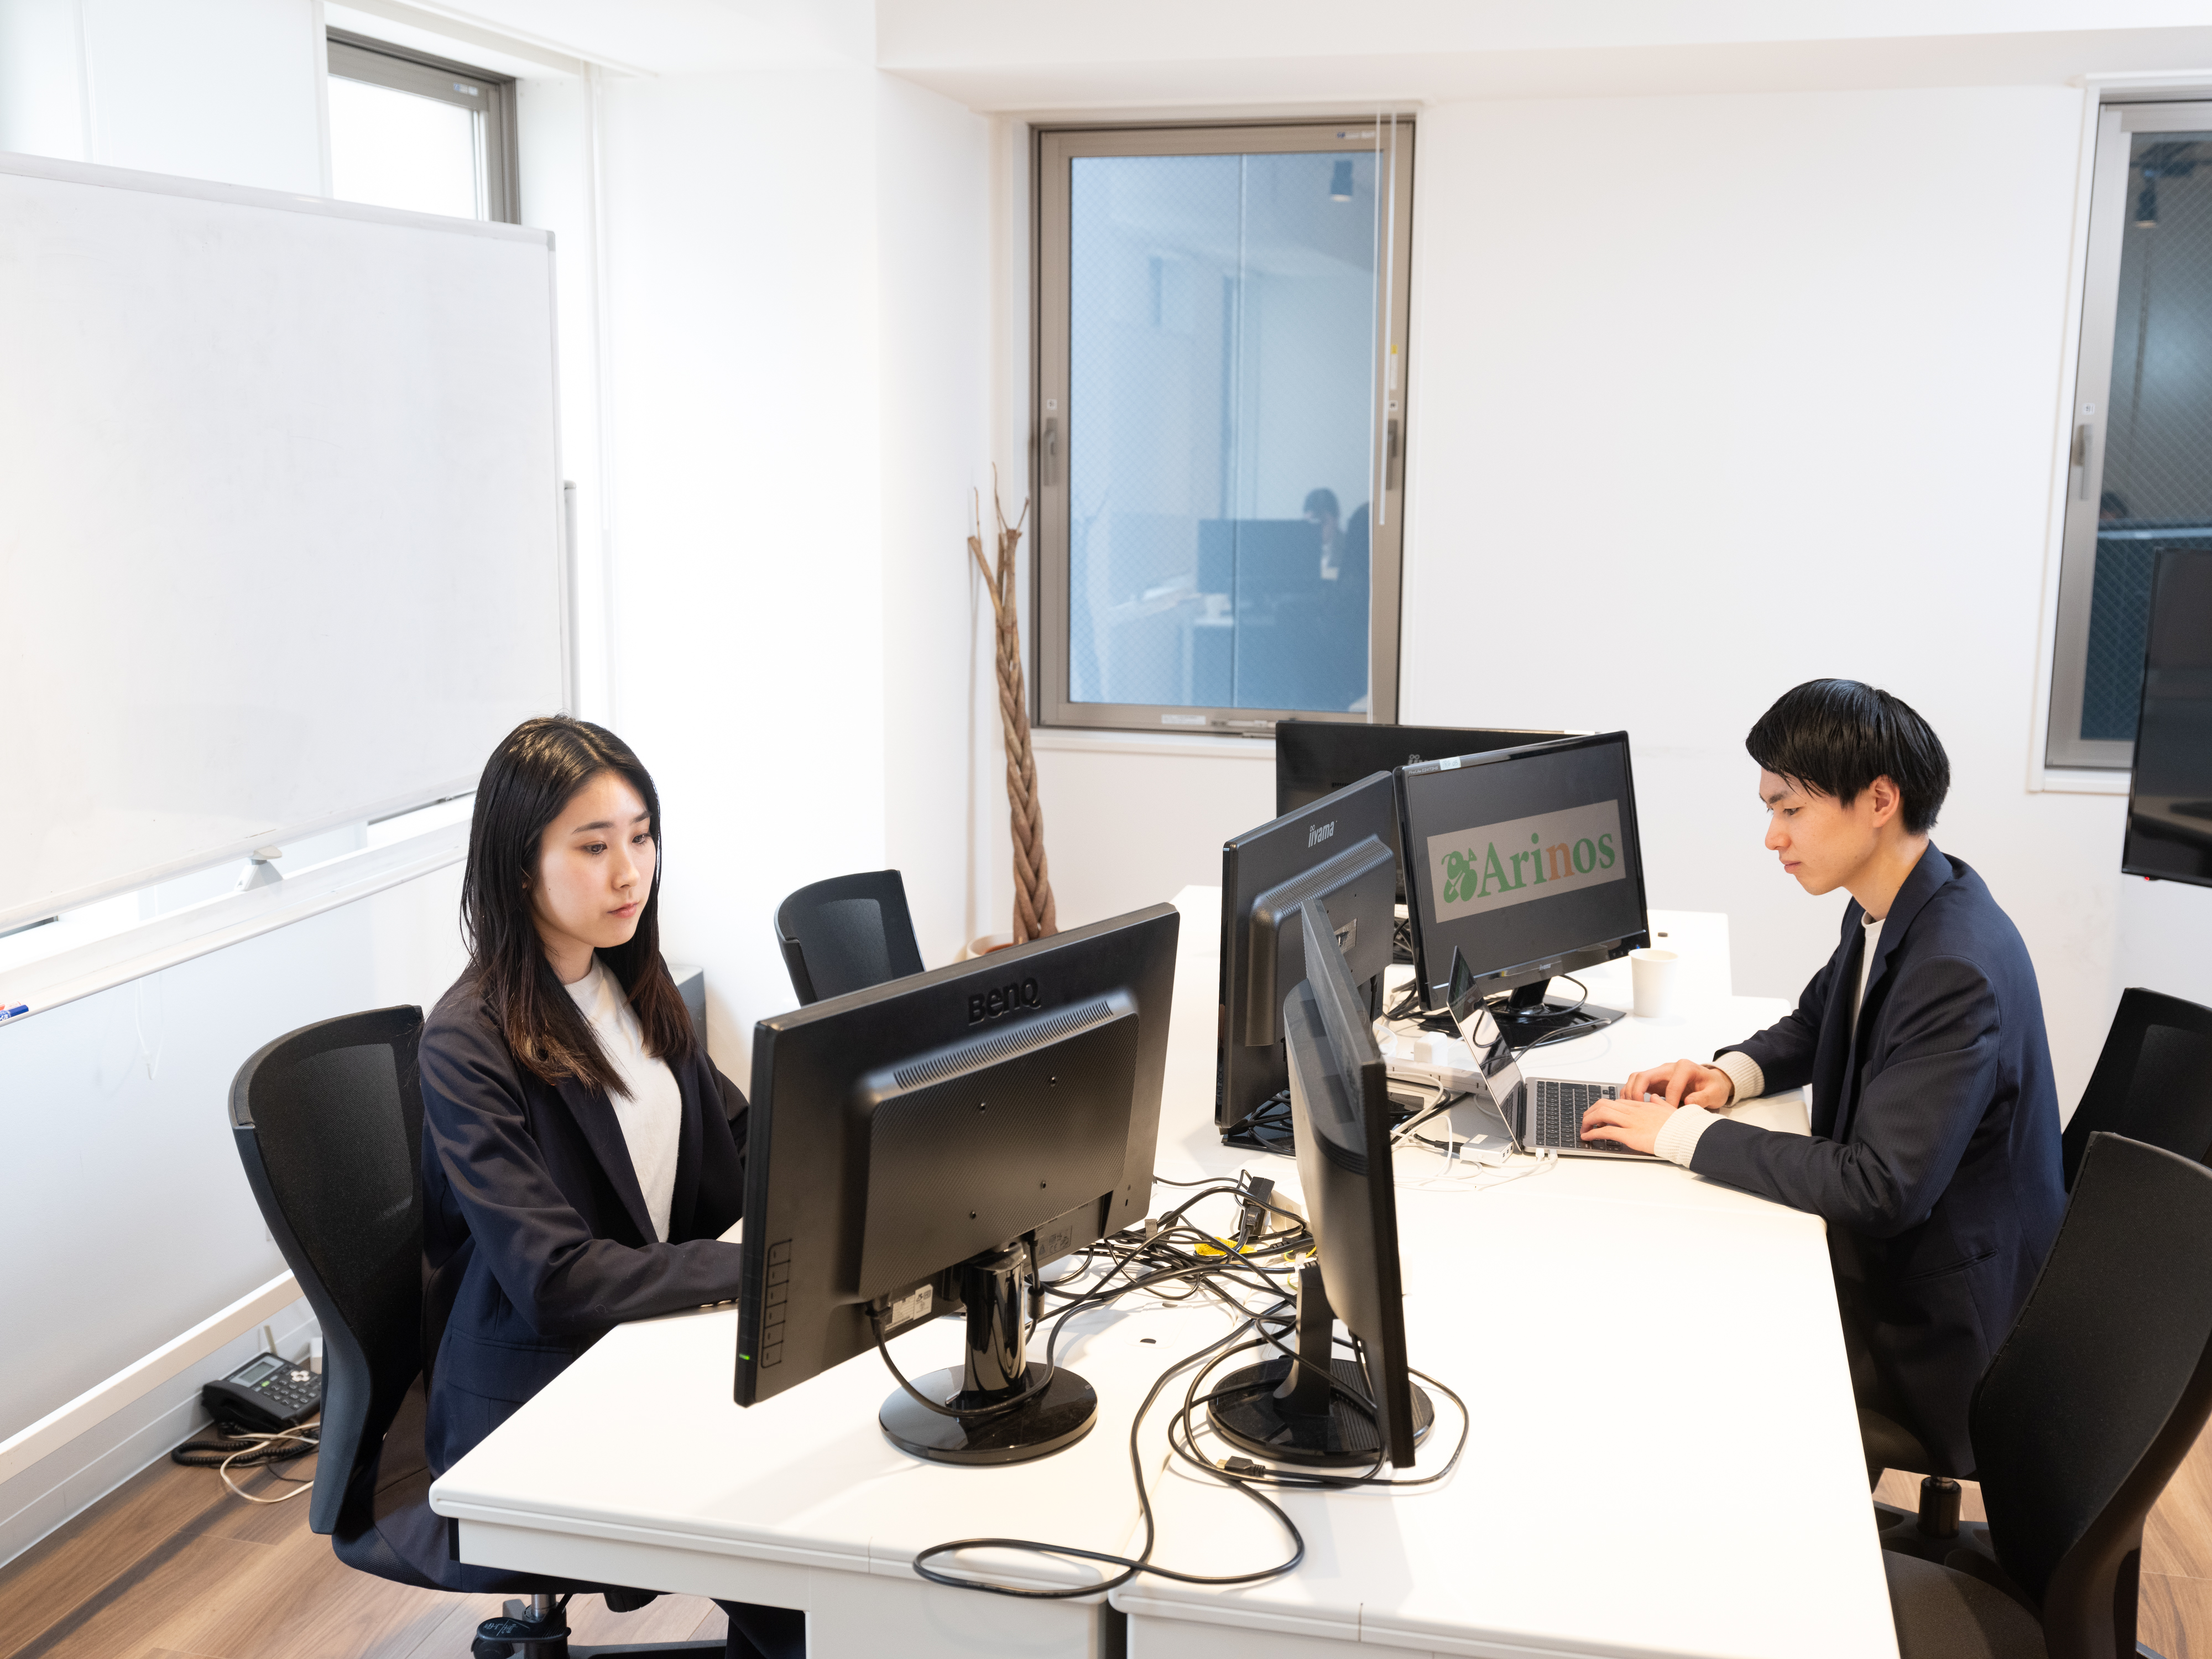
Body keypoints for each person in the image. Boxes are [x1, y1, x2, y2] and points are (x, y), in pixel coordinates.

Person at [1577, 680, 2065, 1478]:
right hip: (1904, 1272)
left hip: (1940, 1337)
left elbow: (1880, 1187)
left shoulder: (1953, 967)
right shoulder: (1901, 901)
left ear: (1879, 800)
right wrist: (1726, 1077)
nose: (1773, 836)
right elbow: (1819, 1019)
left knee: (1688, 1341)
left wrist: (1682, 1136)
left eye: (1791, 809)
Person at [419, 714, 801, 1659]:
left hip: (647, 1339)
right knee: (798, 1555)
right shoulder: (468, 1041)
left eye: (641, 837)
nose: (631, 873)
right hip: (541, 1387)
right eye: (594, 848)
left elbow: (735, 1134)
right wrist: (751, 1268)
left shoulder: (629, 978)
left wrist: (839, 1186)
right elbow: (553, 1278)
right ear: (520, 867)